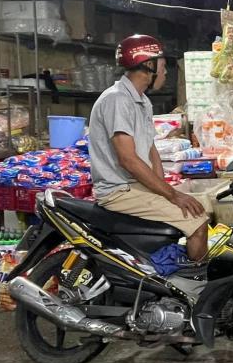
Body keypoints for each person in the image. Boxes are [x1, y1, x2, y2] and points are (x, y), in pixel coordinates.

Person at [88, 34, 208, 261]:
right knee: (198, 224)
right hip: (118, 191)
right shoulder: (117, 100)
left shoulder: (141, 101)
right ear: (148, 66)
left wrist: (164, 190)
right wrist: (172, 196)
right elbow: (128, 160)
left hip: (134, 186)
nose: (165, 73)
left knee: (199, 208)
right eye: (162, 67)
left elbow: (151, 149)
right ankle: (197, 291)